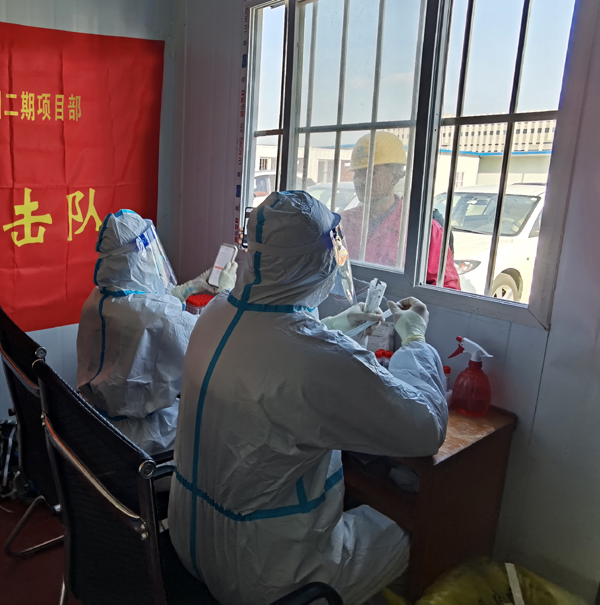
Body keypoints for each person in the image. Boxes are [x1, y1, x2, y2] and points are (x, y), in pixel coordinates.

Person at [168, 191, 449, 605]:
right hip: (268, 574)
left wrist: (335, 325)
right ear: (316, 263)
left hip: (188, 539)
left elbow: (271, 345)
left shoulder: (215, 313)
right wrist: (415, 342)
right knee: (418, 527)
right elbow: (426, 427)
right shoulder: (318, 360)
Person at [77, 210, 237, 455]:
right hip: (147, 437)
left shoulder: (98, 298)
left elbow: (143, 302)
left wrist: (193, 287)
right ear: (137, 259)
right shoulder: (158, 316)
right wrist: (226, 294)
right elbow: (208, 342)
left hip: (98, 424)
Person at [341, 131, 460, 289]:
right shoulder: (342, 224)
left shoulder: (424, 232)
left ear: (396, 175)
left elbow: (447, 291)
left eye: (371, 172)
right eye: (357, 173)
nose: (360, 181)